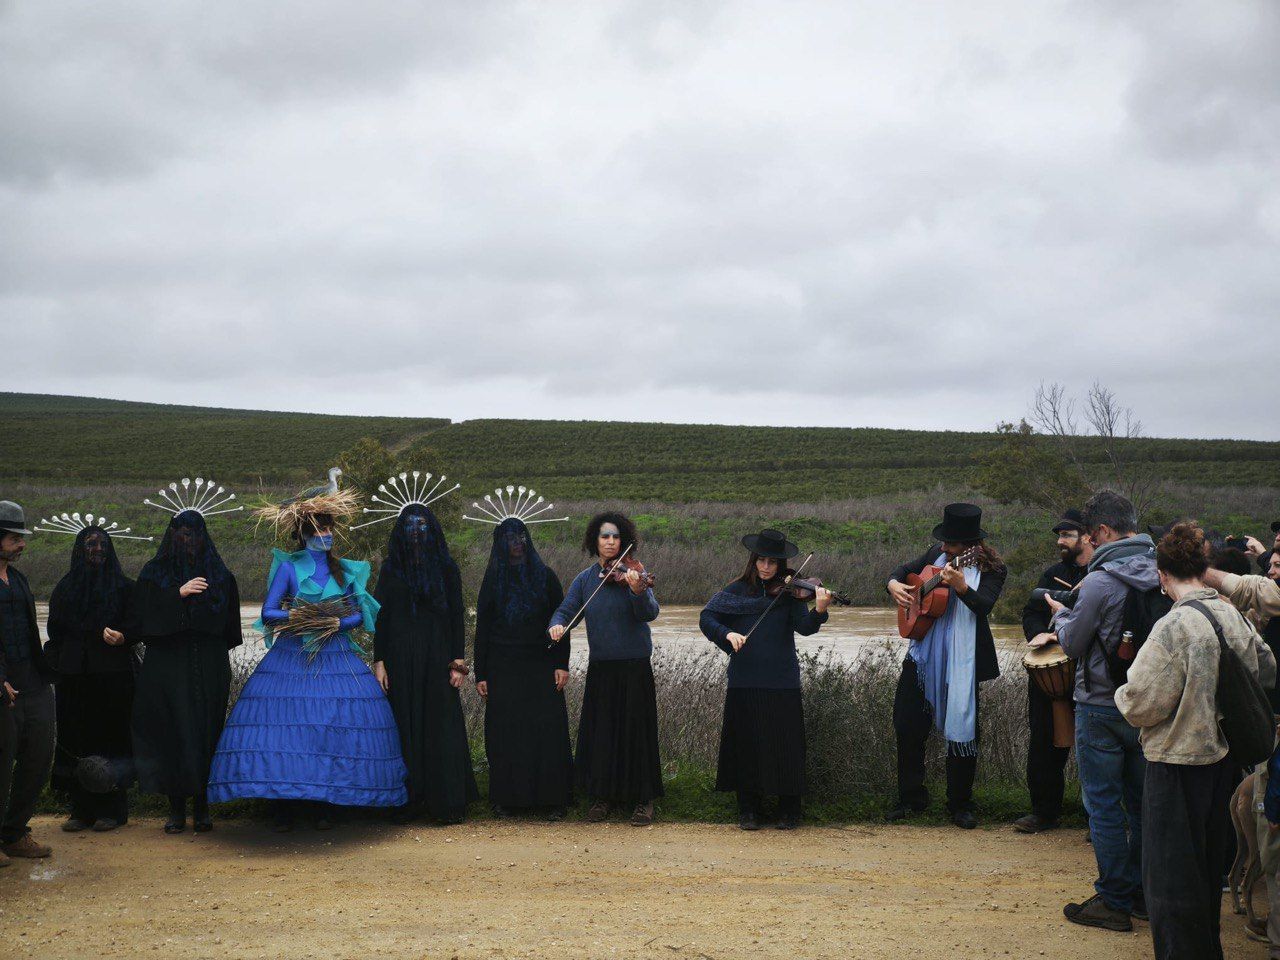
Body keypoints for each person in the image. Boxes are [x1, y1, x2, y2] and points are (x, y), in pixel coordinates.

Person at [1115, 522, 1275, 960]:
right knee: (1207, 877)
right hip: (1226, 766)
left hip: (1176, 767)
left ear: (1162, 575)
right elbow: (1268, 671)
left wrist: (1119, 693)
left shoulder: (1174, 625)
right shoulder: (1232, 615)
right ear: (1202, 570)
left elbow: (1139, 703)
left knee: (1170, 886)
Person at [208, 485, 408, 829]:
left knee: (332, 728)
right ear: (301, 535)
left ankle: (327, 804)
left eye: (327, 528)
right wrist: (300, 618)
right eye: (316, 530)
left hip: (336, 655)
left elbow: (360, 614)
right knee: (286, 731)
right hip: (293, 655)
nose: (324, 535)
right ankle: (285, 806)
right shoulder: (288, 568)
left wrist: (336, 622)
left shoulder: (344, 570)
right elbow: (270, 612)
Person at [1048, 490, 1159, 932]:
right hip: (1150, 705)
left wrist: (1059, 617)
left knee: (1104, 806)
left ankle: (1112, 900)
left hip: (1100, 704)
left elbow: (1073, 644)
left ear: (1107, 530)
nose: (1089, 542)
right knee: (1142, 804)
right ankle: (1141, 895)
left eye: (1093, 534)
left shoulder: (1098, 581)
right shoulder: (1164, 572)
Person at [699, 529, 832, 830]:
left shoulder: (791, 593)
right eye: (761, 560)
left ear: (782, 564)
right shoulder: (735, 590)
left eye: (773, 562)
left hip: (782, 679)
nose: (766, 567)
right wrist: (727, 634)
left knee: (784, 745)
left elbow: (805, 627)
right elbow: (707, 618)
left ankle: (789, 809)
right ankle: (749, 809)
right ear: (753, 560)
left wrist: (820, 612)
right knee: (747, 744)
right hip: (744, 679)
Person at [885, 503, 1007, 830]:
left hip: (963, 662)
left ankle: (960, 804)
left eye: (950, 544)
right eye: (943, 542)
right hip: (922, 657)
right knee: (907, 725)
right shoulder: (933, 556)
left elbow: (984, 607)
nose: (942, 548)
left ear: (969, 548)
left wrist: (962, 586)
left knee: (963, 731)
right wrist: (894, 585)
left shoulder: (993, 569)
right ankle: (911, 798)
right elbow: (901, 572)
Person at [128, 507, 242, 834]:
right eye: (181, 533)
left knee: (206, 729)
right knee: (172, 730)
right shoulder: (154, 573)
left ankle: (203, 807)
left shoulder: (219, 574)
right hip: (166, 663)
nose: (187, 539)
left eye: (193, 533)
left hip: (207, 663)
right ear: (172, 535)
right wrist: (177, 595)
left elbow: (229, 629)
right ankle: (176, 809)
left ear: (202, 536)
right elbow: (141, 619)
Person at [549, 512, 662, 826]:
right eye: (604, 536)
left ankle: (643, 801)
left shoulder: (635, 574)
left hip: (635, 667)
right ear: (594, 541)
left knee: (636, 736)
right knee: (603, 736)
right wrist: (557, 625)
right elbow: (566, 610)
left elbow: (650, 613)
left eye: (615, 536)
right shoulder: (585, 580)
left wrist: (637, 591)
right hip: (602, 668)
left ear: (623, 540)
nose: (610, 542)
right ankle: (603, 797)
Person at [371, 503, 475, 824]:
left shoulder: (447, 568)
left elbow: (457, 614)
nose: (416, 531)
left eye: (423, 525)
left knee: (440, 724)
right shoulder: (391, 569)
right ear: (401, 531)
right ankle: (406, 802)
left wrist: (458, 660)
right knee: (403, 723)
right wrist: (379, 660)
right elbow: (380, 616)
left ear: (432, 530)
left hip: (438, 656)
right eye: (410, 526)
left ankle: (445, 803)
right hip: (400, 658)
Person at [473, 517, 572, 819]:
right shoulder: (493, 578)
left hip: (541, 663)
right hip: (502, 665)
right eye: (509, 537)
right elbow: (483, 628)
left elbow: (561, 621)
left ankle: (552, 799)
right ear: (500, 543)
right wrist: (482, 673)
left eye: (521, 536)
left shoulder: (546, 576)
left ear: (528, 539)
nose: (516, 542)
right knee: (506, 731)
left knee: (546, 729)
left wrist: (561, 664)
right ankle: (508, 799)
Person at [45, 525, 137, 832]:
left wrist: (123, 636)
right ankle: (80, 810)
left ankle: (113, 809)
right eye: (90, 546)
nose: (96, 550)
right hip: (74, 678)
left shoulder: (124, 588)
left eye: (102, 546)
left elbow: (137, 626)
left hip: (112, 678)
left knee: (110, 738)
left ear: (109, 550)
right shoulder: (66, 588)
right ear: (79, 550)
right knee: (76, 739)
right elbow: (55, 632)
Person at [1013, 509, 1093, 834]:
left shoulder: (1102, 574)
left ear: (1087, 537)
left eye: (1067, 535)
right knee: (1043, 741)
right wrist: (1038, 634)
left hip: (1089, 669)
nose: (1060, 541)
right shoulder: (1052, 573)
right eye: (1058, 535)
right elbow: (1031, 612)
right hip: (1051, 668)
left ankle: (1097, 819)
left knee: (1094, 746)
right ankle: (1044, 812)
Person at [0, 501, 55, 864]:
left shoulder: (18, 579)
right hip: (2, 687)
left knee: (38, 757)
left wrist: (46, 675)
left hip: (31, 683)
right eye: (13, 538)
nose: (21, 544)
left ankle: (14, 833)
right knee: (2, 764)